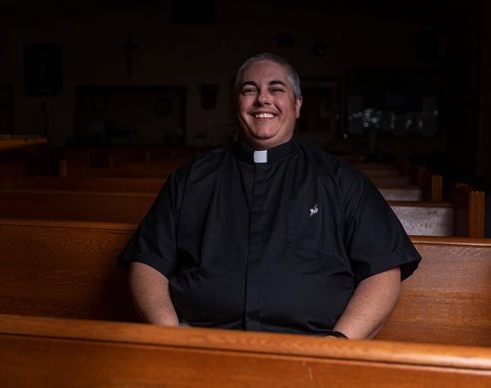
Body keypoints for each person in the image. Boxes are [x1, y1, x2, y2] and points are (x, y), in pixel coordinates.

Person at [118, 52, 421, 339]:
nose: (263, 98)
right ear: (236, 102)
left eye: (276, 89)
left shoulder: (342, 180)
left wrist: (338, 345)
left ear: (298, 104)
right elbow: (148, 263)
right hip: (201, 342)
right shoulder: (190, 178)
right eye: (249, 90)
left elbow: (383, 270)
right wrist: (168, 337)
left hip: (312, 349)